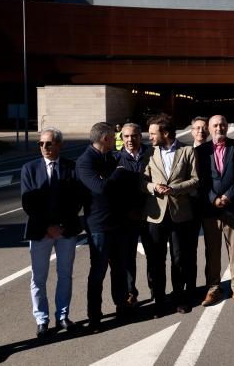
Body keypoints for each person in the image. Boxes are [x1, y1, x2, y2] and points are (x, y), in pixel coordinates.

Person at [21, 127, 86, 337]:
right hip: (40, 232)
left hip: (66, 230)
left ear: (59, 144)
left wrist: (61, 226)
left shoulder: (72, 167)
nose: (44, 147)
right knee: (38, 278)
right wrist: (46, 227)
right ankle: (42, 319)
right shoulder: (29, 169)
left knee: (65, 275)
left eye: (48, 143)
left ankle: (62, 316)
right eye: (40, 144)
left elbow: (77, 200)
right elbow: (28, 202)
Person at [142, 114, 200, 315]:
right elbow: (142, 181)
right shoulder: (149, 152)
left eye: (152, 133)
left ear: (165, 133)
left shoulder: (187, 151)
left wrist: (174, 189)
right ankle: (159, 300)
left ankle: (179, 298)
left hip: (180, 214)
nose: (150, 137)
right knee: (156, 259)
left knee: (179, 259)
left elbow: (195, 180)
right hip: (155, 215)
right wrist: (153, 187)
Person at [76, 121, 131, 332]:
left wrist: (112, 177)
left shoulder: (110, 157)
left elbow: (116, 186)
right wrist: (117, 172)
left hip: (117, 222)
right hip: (98, 225)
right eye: (114, 137)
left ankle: (121, 306)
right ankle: (95, 316)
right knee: (97, 272)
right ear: (105, 138)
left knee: (119, 269)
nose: (117, 140)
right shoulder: (85, 161)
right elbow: (100, 188)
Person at [196, 115, 234, 306]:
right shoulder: (200, 151)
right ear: (209, 129)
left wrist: (228, 196)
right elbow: (200, 180)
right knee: (212, 251)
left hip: (232, 206)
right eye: (215, 125)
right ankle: (213, 288)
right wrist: (213, 198)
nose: (219, 128)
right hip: (210, 209)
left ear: (227, 127)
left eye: (223, 125)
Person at [116, 122, 151, 308]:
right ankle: (131, 292)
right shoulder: (116, 159)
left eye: (134, 136)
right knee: (128, 258)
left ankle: (156, 289)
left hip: (150, 215)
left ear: (140, 136)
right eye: (127, 136)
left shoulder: (152, 154)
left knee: (154, 255)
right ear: (122, 138)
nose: (130, 140)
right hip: (127, 218)